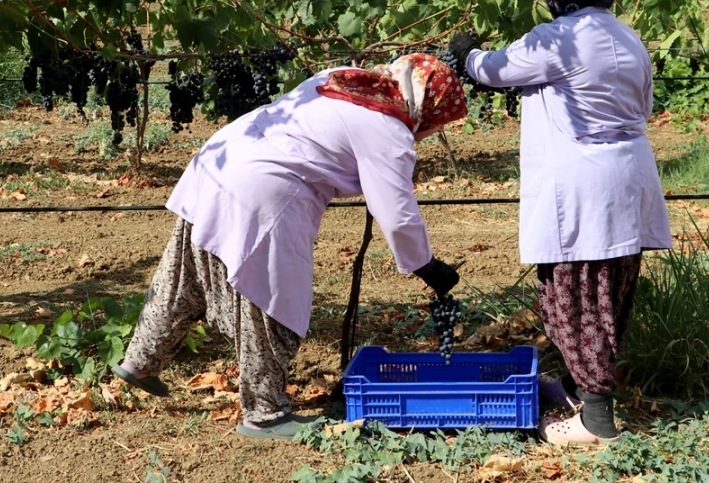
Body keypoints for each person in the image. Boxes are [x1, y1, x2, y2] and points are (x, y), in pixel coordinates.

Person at [112, 53, 467, 440]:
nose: (435, 130)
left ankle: (140, 362)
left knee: (184, 276)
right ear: (429, 108)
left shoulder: (348, 79)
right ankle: (265, 415)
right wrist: (426, 265)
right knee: (271, 305)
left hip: (221, 160)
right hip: (263, 190)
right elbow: (397, 215)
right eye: (439, 121)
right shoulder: (389, 129)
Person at [448, 0, 672, 447]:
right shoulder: (630, 38)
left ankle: (597, 423)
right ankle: (576, 389)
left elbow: (495, 70)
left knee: (576, 296)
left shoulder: (557, 38)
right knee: (609, 293)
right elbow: (644, 106)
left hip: (583, 185)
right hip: (629, 178)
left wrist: (466, 54)